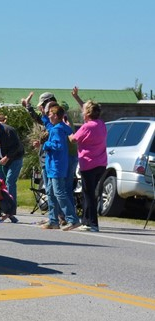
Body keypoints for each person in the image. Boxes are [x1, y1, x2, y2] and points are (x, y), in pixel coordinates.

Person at [33, 104, 81, 230]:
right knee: (51, 193)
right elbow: (56, 129)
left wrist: (44, 145)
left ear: (55, 115)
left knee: (59, 193)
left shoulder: (57, 130)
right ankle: (53, 220)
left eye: (50, 114)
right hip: (55, 164)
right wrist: (43, 115)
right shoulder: (62, 127)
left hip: (56, 165)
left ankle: (73, 219)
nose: (48, 116)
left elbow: (57, 145)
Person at [69, 87, 107, 232]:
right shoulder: (100, 124)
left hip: (89, 164)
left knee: (89, 194)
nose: (81, 111)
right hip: (101, 164)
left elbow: (73, 139)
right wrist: (77, 98)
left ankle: (92, 223)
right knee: (89, 192)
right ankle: (86, 221)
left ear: (87, 113)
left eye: (84, 110)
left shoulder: (87, 127)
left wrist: (68, 131)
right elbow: (87, 107)